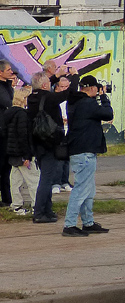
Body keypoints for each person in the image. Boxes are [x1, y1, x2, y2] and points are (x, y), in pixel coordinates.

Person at [62, 74, 113, 237]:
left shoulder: (76, 102)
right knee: (81, 190)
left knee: (88, 190)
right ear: (91, 88)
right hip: (84, 153)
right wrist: (103, 97)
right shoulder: (86, 103)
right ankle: (69, 225)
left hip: (82, 151)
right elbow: (108, 114)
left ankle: (88, 222)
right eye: (96, 89)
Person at [27, 70, 75, 223]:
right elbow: (68, 93)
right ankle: (39, 212)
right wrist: (74, 76)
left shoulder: (32, 98)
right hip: (50, 143)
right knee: (47, 179)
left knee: (45, 176)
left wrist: (54, 76)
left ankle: (47, 210)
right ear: (46, 85)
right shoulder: (49, 98)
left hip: (38, 143)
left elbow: (43, 85)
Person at [5, 86, 39, 216]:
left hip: (13, 153)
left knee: (15, 181)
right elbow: (23, 136)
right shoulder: (22, 115)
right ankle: (37, 206)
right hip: (22, 153)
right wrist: (27, 156)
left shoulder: (8, 114)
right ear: (23, 99)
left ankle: (17, 206)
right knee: (33, 180)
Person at [52, 75, 74, 194]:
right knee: (59, 158)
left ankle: (65, 181)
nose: (64, 89)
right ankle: (56, 182)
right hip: (58, 130)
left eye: (67, 87)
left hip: (68, 130)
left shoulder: (71, 99)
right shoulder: (54, 99)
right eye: (62, 86)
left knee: (66, 159)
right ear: (57, 87)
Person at [0, 59, 15, 206]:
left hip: (5, 130)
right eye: (9, 70)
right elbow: (7, 102)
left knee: (6, 167)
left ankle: (6, 198)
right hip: (1, 131)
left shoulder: (6, 86)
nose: (12, 72)